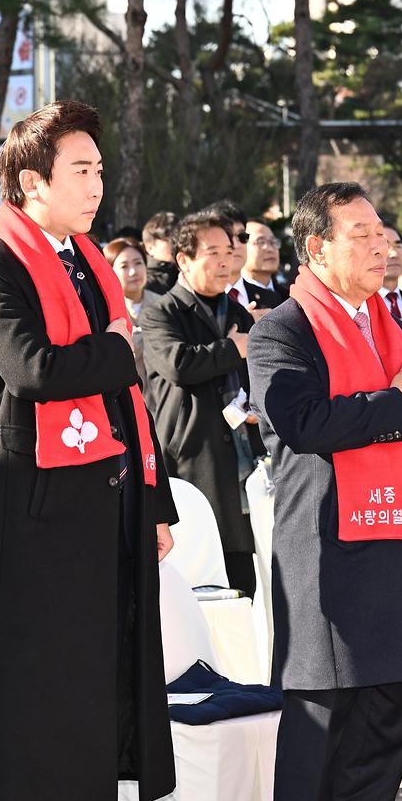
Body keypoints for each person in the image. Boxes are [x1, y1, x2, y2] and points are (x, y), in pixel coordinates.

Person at [0, 101, 176, 801]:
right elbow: (36, 370)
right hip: (36, 515)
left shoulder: (88, 265)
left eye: (98, 169)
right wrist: (121, 348)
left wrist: (152, 501)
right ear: (30, 183)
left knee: (85, 711)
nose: (97, 185)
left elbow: (122, 398)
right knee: (30, 718)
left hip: (106, 503)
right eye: (80, 171)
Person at [248, 182, 402, 801]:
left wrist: (400, 405)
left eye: (382, 233)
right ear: (318, 248)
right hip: (327, 547)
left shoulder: (389, 326)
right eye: (359, 233)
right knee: (320, 716)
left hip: (397, 535)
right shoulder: (283, 330)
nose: (380, 246)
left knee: (385, 711)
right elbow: (301, 422)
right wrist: (397, 407)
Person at [141, 211, 261, 595]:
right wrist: (234, 347)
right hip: (192, 458)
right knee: (199, 578)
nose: (225, 260)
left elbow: (256, 372)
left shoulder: (238, 312)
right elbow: (179, 364)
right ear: (183, 260)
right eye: (212, 252)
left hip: (241, 461)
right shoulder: (161, 312)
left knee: (245, 579)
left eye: (229, 250)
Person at [239, 218, 287, 308]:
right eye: (261, 242)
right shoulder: (232, 296)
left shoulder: (289, 297)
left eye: (273, 242)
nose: (270, 249)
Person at [142, 211, 179, 295]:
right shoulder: (143, 282)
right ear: (149, 247)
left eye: (179, 239)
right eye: (171, 240)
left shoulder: (185, 274)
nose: (177, 244)